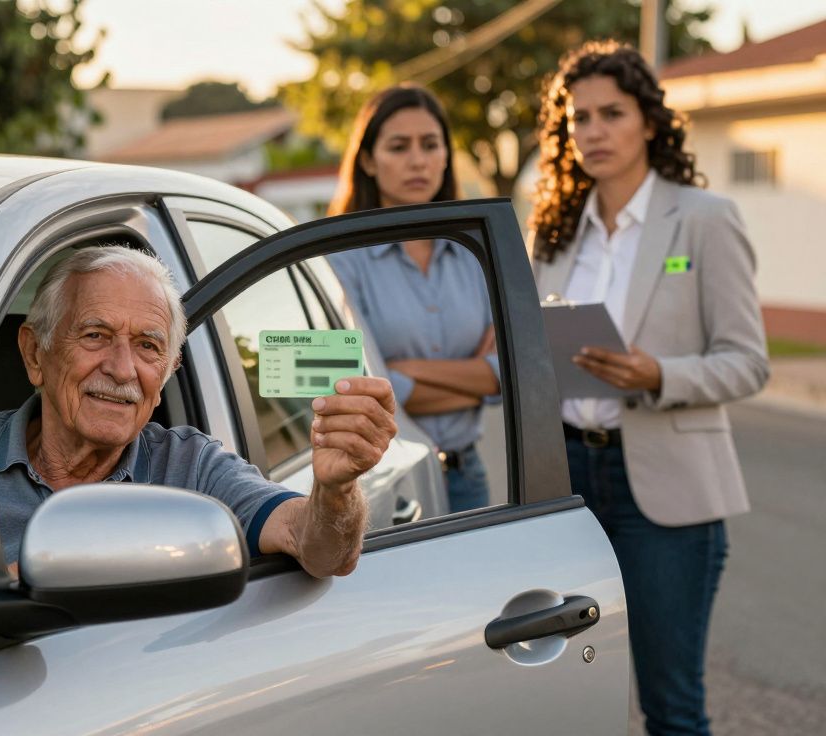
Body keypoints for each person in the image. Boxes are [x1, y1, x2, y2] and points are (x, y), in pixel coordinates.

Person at [529, 41, 768, 735]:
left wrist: (658, 373)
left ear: (650, 123)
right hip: (568, 480)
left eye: (612, 113)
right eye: (580, 119)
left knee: (671, 706)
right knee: (567, 697)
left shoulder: (704, 218)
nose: (595, 132)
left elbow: (748, 361)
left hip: (664, 492)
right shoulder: (553, 232)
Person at [0, 245, 398, 578]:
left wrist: (336, 488)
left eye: (147, 347)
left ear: (167, 374)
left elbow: (321, 550)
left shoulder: (192, 468)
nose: (122, 369)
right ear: (35, 354)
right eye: (95, 335)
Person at [325, 84, 501, 514]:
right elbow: (348, 389)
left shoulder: (479, 254)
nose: (418, 160)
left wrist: (403, 374)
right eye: (399, 147)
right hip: (380, 485)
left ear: (446, 155)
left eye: (430, 145)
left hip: (467, 479)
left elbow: (507, 375)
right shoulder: (335, 261)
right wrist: (473, 380)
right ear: (368, 160)